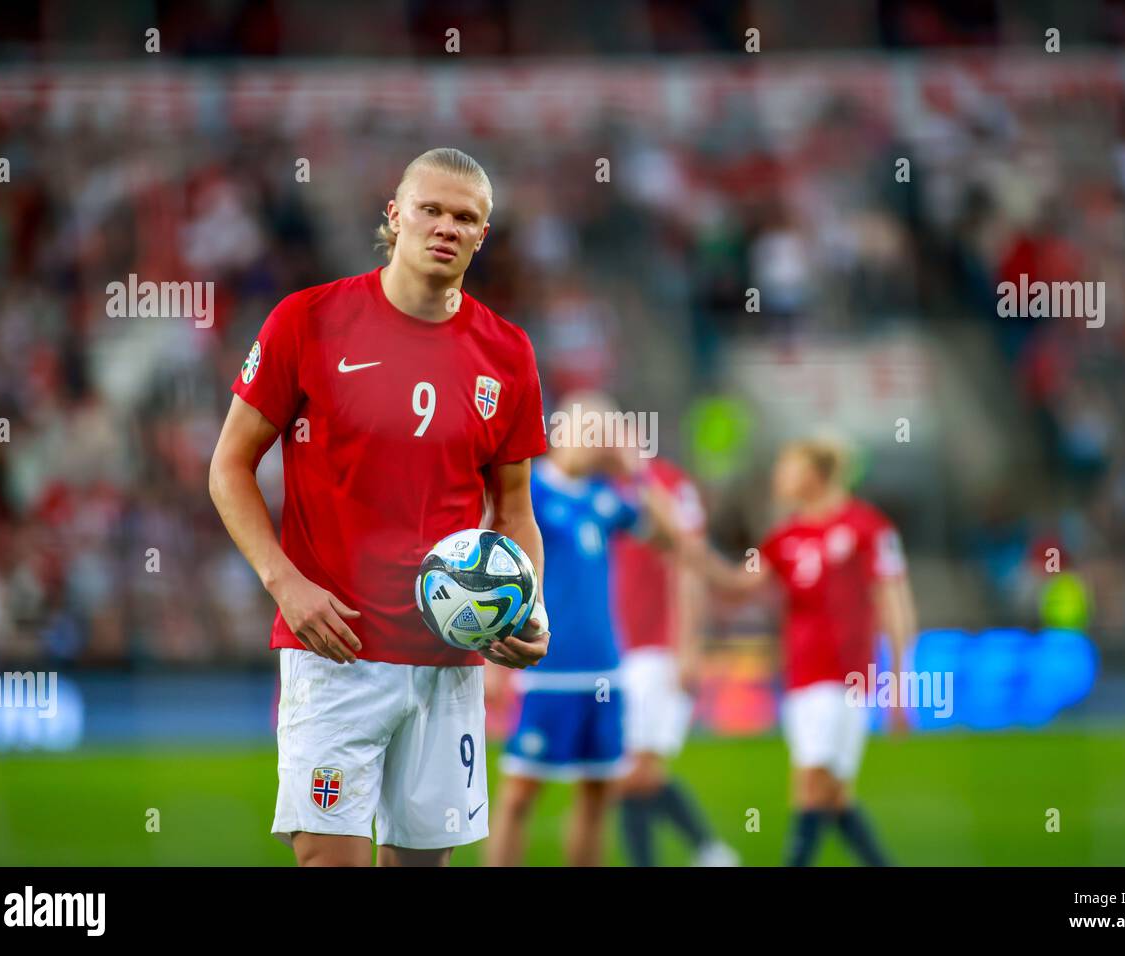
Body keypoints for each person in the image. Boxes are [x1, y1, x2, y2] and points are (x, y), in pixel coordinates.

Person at [208, 147, 549, 867]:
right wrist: (284, 582)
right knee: (328, 860)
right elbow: (229, 466)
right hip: (335, 648)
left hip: (448, 659)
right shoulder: (307, 321)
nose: (446, 227)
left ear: (483, 235)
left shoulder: (508, 353)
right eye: (431, 209)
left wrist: (529, 606)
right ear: (395, 216)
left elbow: (513, 507)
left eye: (466, 218)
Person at [685, 435, 917, 867]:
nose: (780, 475)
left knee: (813, 786)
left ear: (815, 472)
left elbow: (896, 606)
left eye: (788, 466)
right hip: (802, 678)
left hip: (845, 678)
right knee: (831, 793)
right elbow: (739, 585)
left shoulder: (867, 528)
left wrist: (901, 684)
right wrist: (690, 551)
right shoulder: (784, 537)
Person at [485, 393, 676, 866]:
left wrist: (637, 470)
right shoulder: (530, 492)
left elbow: (672, 536)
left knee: (597, 794)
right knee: (519, 794)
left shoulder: (605, 496)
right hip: (547, 668)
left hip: (605, 669)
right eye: (594, 431)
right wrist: (490, 662)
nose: (601, 443)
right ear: (563, 433)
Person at [612, 451, 738, 866]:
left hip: (656, 648)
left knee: (635, 774)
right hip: (612, 650)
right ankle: (709, 850)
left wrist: (688, 644)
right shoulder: (589, 486)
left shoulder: (668, 484)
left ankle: (708, 850)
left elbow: (690, 560)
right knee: (633, 775)